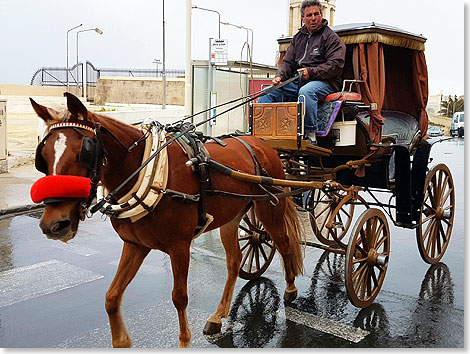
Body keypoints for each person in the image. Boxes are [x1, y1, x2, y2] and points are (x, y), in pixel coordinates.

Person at [258, 0, 346, 144]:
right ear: (302, 18)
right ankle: (261, 131)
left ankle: (310, 134)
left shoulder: (331, 38)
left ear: (321, 15)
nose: (313, 18)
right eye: (309, 15)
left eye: (316, 14)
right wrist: (279, 77)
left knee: (306, 92)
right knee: (268, 92)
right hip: (299, 80)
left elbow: (335, 65)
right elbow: (287, 62)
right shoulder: (298, 38)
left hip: (326, 82)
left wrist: (310, 72)